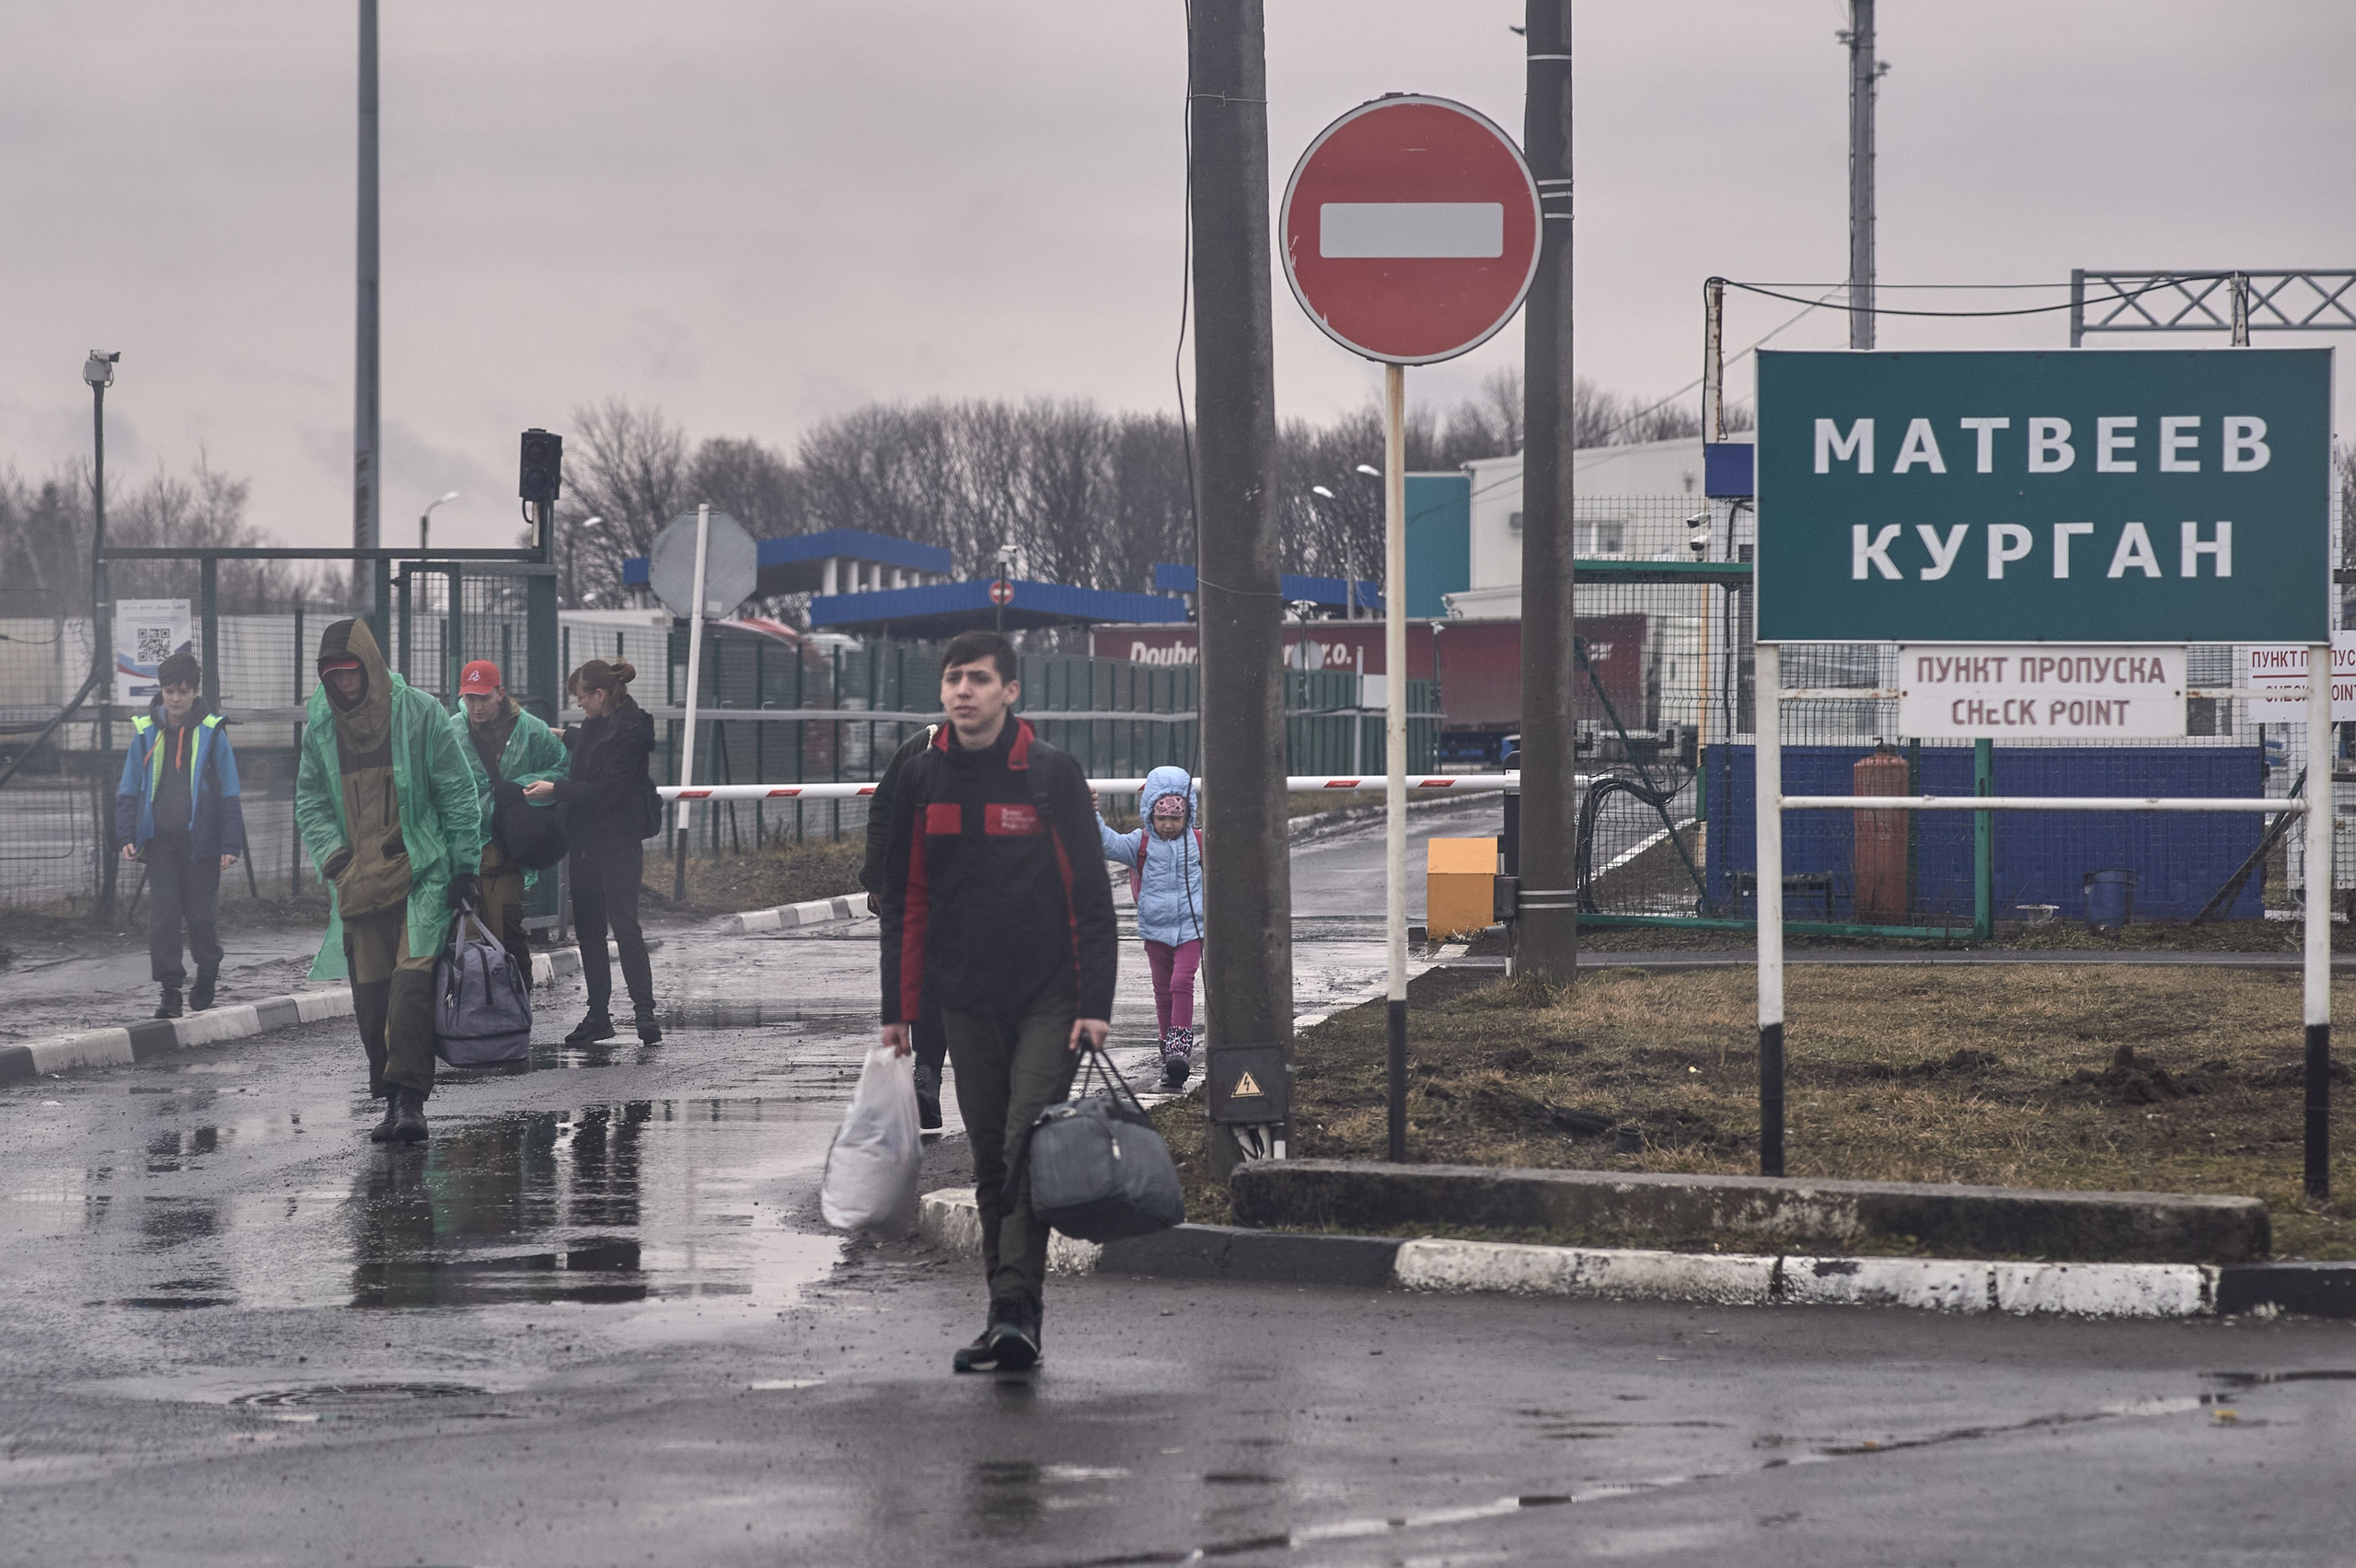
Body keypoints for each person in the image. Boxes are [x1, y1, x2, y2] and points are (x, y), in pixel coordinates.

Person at [876, 629, 1115, 1374]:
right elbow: (906, 901)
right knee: (988, 1156)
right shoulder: (922, 777)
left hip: (1049, 995)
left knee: (1020, 1146)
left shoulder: (1050, 775)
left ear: (1010, 691)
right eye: (954, 678)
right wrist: (899, 1010)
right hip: (964, 998)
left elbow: (1090, 897)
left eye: (979, 678)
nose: (964, 691)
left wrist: (1095, 1002)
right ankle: (1005, 1315)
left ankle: (1016, 1309)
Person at [294, 619, 484, 1145]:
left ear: (370, 666)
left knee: (410, 988)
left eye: (351, 670)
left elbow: (457, 793)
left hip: (421, 873)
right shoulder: (322, 729)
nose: (344, 682)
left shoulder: (420, 714)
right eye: (333, 674)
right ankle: (390, 1097)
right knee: (372, 998)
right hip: (360, 882)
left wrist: (464, 867)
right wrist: (336, 860)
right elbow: (310, 799)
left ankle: (409, 1102)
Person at [533, 659, 660, 1044]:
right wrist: (562, 735)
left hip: (618, 842)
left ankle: (644, 1014)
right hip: (587, 842)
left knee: (624, 925)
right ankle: (598, 1016)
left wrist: (556, 789)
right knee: (590, 930)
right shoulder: (599, 723)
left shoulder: (632, 733)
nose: (579, 704)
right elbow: (592, 750)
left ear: (600, 694)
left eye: (582, 697)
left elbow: (606, 791)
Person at [115, 651, 245, 1019]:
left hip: (202, 844)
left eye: (183, 691)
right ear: (161, 690)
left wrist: (230, 843)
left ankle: (208, 967)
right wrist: (125, 834)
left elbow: (230, 790)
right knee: (163, 917)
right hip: (160, 843)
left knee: (201, 917)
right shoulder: (145, 733)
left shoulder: (213, 733)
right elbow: (128, 787)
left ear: (195, 692)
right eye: (169, 691)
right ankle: (169, 990)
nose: (175, 699)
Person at [451, 659, 569, 975]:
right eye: (470, 698)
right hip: (459, 852)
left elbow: (561, 768)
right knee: (462, 940)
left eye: (484, 698)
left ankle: (517, 999)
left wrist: (520, 786)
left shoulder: (530, 730)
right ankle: (470, 1004)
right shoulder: (453, 731)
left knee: (508, 934)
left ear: (500, 694)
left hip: (503, 852)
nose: (477, 707)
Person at [860, 721, 947, 1129]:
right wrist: (877, 879)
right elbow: (884, 808)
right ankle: (927, 1080)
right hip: (924, 889)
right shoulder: (922, 746)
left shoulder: (1016, 755)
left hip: (983, 898)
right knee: (930, 981)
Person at [1095, 766, 1203, 1089]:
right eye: (1162, 817)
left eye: (1176, 818)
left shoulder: (1199, 843)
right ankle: (1168, 1054)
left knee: (1181, 982)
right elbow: (1106, 843)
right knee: (1162, 991)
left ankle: (1180, 1049)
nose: (1168, 824)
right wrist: (1091, 814)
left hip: (1191, 930)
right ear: (1150, 815)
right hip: (1155, 932)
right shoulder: (1139, 844)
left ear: (1188, 814)